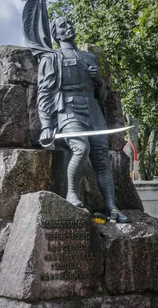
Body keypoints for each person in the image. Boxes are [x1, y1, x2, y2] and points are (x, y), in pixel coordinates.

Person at [36, 15, 129, 223]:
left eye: (69, 23)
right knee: (80, 148)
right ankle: (71, 193)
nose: (68, 27)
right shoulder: (51, 58)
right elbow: (44, 93)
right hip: (68, 108)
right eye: (62, 25)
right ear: (55, 34)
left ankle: (112, 207)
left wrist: (98, 80)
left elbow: (102, 96)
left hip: (93, 109)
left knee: (101, 158)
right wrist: (46, 125)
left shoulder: (89, 58)